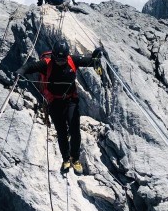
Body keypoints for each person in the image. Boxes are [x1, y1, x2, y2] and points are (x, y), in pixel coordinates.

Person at [16, 39, 104, 174]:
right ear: (53, 56)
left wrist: (96, 57)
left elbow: (89, 62)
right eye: (58, 59)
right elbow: (29, 67)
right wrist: (20, 72)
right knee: (62, 133)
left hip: (70, 101)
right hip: (55, 102)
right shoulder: (46, 64)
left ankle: (75, 159)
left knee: (75, 131)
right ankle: (66, 159)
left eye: (63, 60)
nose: (61, 62)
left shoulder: (72, 60)